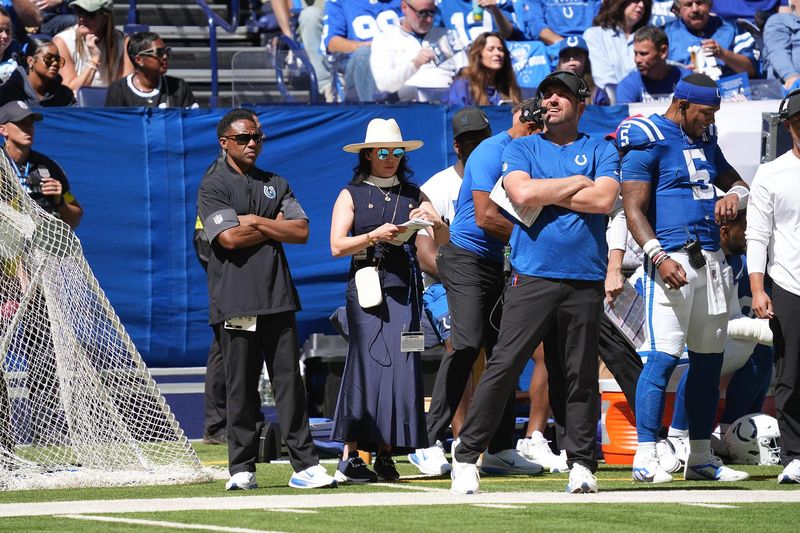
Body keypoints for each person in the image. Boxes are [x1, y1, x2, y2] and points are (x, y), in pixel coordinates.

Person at [449, 70, 619, 495]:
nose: (553, 100)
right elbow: (521, 195)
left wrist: (550, 192)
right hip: (533, 275)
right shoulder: (521, 146)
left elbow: (604, 200)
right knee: (503, 365)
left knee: (579, 375)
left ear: (581, 104)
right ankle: (467, 456)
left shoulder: (600, 147)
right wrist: (577, 183)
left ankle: (581, 463)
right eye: (548, 95)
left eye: (563, 94)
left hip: (584, 277)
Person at [618, 73, 750, 484]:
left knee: (709, 364)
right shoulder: (647, 136)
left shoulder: (705, 139)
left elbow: (737, 182)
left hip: (711, 260)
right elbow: (633, 208)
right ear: (681, 104)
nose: (709, 122)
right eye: (705, 113)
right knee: (661, 359)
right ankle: (645, 454)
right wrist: (656, 258)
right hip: (671, 259)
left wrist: (735, 196)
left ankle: (699, 457)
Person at [196, 109, 337, 491]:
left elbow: (302, 231)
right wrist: (271, 226)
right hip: (235, 301)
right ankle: (242, 469)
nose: (253, 143)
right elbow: (226, 239)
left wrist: (254, 222)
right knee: (239, 387)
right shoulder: (213, 185)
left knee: (290, 383)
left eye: (257, 137)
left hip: (278, 297)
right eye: (243, 138)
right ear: (224, 142)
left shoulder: (276, 181)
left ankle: (305, 465)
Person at [410, 99, 544, 479]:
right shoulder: (492, 152)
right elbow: (486, 218)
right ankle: (428, 440)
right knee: (466, 344)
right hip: (466, 259)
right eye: (532, 123)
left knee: (506, 353)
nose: (537, 131)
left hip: (501, 264)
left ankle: (501, 446)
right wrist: (542, 237)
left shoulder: (533, 153)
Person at [329, 118, 449, 483]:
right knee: (365, 366)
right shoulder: (351, 193)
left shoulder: (414, 193)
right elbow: (337, 246)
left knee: (401, 370)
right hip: (366, 288)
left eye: (397, 151)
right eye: (383, 151)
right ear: (368, 155)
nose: (390, 158)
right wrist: (373, 236)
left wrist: (432, 219)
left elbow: (442, 238)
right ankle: (350, 455)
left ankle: (386, 455)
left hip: (403, 289)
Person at [665, 210, 774, 460]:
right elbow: (712, 322)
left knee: (761, 352)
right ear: (724, 233)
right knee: (705, 355)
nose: (752, 239)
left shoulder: (736, 262)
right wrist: (761, 330)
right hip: (668, 342)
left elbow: (728, 320)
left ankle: (731, 430)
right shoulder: (699, 259)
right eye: (745, 232)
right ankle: (677, 436)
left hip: (706, 334)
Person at [746, 88, 800, 484]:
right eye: (797, 122)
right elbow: (757, 236)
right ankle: (796, 456)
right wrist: (758, 287)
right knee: (791, 372)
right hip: (788, 281)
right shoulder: (771, 173)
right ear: (788, 127)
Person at [417, 107, 492, 350]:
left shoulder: (505, 180)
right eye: (471, 141)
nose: (480, 147)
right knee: (461, 344)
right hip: (445, 286)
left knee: (536, 348)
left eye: (484, 139)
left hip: (495, 280)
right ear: (457, 147)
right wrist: (470, 280)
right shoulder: (435, 188)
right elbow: (425, 255)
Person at [0, 100, 81, 228]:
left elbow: (75, 219)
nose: (28, 128)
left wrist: (60, 201)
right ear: (3, 130)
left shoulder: (49, 167)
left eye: (31, 123)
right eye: (21, 123)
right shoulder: (1, 163)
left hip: (40, 242)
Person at [369, 0, 465, 102]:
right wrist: (415, 64)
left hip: (448, 104)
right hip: (409, 106)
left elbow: (466, 72)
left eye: (432, 13)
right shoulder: (385, 39)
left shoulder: (447, 36)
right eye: (422, 13)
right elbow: (384, 85)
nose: (428, 19)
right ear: (404, 7)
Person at [322, 0, 402, 102]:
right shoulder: (340, 2)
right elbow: (332, 43)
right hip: (358, 67)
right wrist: (368, 46)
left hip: (397, 61)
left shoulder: (401, 2)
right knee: (365, 54)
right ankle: (373, 113)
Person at [53, 0, 133, 91]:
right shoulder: (62, 41)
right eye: (79, 12)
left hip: (112, 102)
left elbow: (125, 89)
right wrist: (94, 61)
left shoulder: (124, 41)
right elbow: (69, 90)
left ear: (105, 17)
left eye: (89, 14)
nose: (82, 18)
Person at [664, 0, 756, 79]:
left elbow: (751, 70)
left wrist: (724, 54)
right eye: (688, 4)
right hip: (682, 96)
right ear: (678, 10)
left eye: (700, 3)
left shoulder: (733, 29)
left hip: (730, 95)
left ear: (710, 5)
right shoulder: (666, 34)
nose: (695, 9)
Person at [105, 31, 198, 108]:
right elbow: (113, 126)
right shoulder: (119, 90)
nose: (165, 56)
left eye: (166, 51)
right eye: (159, 52)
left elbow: (192, 123)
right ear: (139, 59)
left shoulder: (178, 87)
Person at [583, 0, 652, 103]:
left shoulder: (649, 38)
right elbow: (605, 80)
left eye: (645, 3)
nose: (641, 5)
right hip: (612, 108)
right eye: (636, 1)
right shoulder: (594, 35)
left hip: (645, 104)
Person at [616, 26, 689, 104]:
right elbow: (625, 115)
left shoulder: (688, 82)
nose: (637, 60)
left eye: (643, 54)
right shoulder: (628, 85)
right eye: (635, 53)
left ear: (663, 52)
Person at [446, 31, 521, 106]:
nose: (497, 53)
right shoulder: (462, 85)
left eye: (500, 49)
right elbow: (456, 114)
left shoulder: (509, 86)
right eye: (491, 49)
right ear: (479, 55)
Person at [0, 37, 75, 107]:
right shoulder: (8, 93)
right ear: (30, 61)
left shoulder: (65, 95)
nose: (55, 63)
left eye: (58, 59)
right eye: (48, 58)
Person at [555, 36, 609, 105]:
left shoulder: (597, 94)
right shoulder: (550, 93)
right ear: (559, 64)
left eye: (577, 55)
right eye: (566, 56)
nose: (571, 59)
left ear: (586, 62)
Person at [515, 0, 602, 43]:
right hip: (555, 47)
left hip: (589, 44)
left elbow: (600, 23)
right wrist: (567, 46)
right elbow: (537, 27)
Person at [435, 0, 520, 44]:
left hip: (496, 59)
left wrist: (495, 10)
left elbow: (508, 34)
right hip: (463, 65)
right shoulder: (441, 4)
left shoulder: (500, 1)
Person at [761, 0, 800, 92]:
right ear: (795, 1)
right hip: (790, 92)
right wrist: (791, 76)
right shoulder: (780, 21)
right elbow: (778, 51)